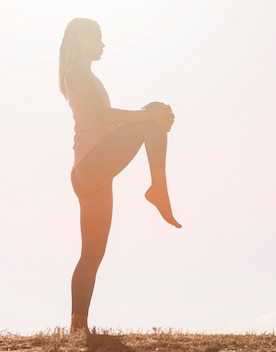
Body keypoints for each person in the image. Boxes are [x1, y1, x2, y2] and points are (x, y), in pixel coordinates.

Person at [59, 18, 182, 334]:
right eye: (97, 37)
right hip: (90, 165)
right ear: (81, 39)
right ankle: (158, 189)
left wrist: (148, 120)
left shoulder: (89, 77)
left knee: (93, 254)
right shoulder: (76, 73)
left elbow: (104, 123)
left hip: (95, 173)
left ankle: (78, 326)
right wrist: (150, 117)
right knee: (151, 113)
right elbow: (101, 117)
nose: (103, 44)